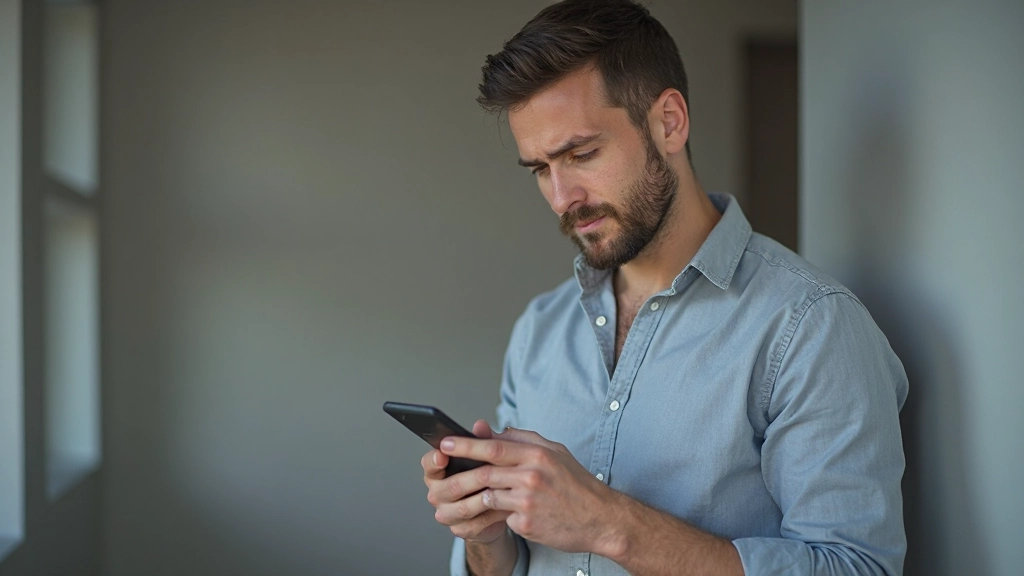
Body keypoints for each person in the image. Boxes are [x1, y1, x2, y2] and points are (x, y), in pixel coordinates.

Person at [421, 1, 909, 575]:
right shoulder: (540, 330)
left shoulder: (809, 326)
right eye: (539, 169)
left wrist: (609, 523)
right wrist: (485, 535)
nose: (561, 197)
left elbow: (856, 568)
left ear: (670, 122)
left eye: (581, 154)